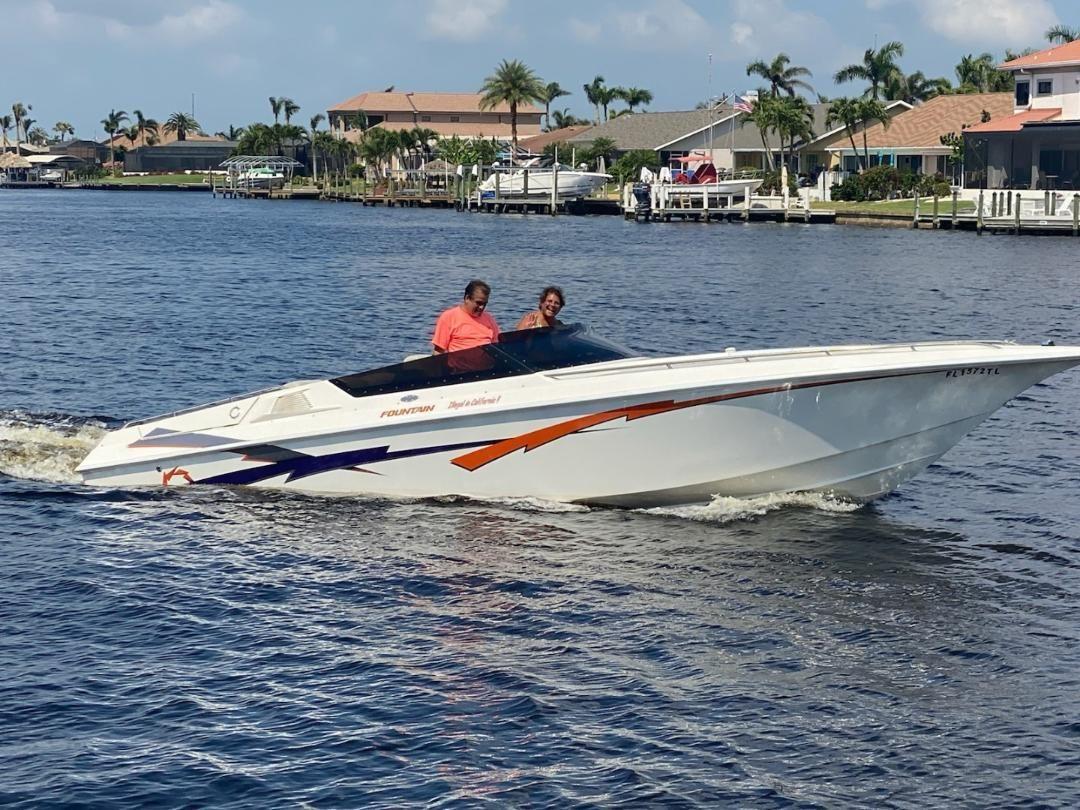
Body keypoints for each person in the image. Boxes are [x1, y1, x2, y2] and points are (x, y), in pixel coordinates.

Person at [432, 279, 500, 354]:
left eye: (484, 304)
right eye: (479, 303)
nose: (481, 307)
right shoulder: (449, 317)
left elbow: (496, 350)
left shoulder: (490, 319)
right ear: (467, 298)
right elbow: (438, 351)